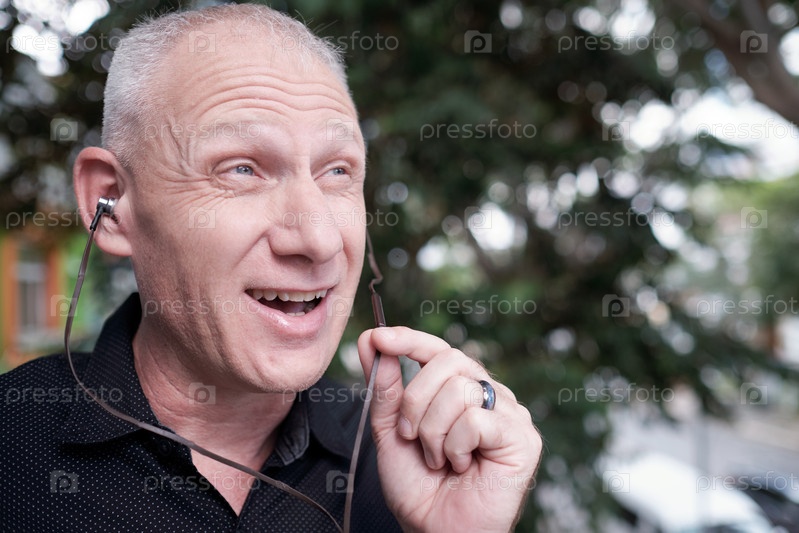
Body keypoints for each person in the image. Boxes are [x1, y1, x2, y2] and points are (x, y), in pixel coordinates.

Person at [0, 4, 542, 531]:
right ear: (113, 203)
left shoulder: (409, 463)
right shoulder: (13, 448)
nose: (319, 240)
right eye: (242, 169)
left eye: (337, 171)